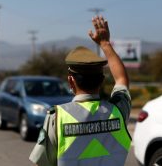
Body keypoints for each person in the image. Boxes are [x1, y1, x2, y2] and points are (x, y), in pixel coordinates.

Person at [29, 15, 132, 166]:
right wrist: (105, 43)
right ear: (102, 80)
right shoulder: (118, 111)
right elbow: (122, 79)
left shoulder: (57, 117)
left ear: (71, 81)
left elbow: (42, 163)